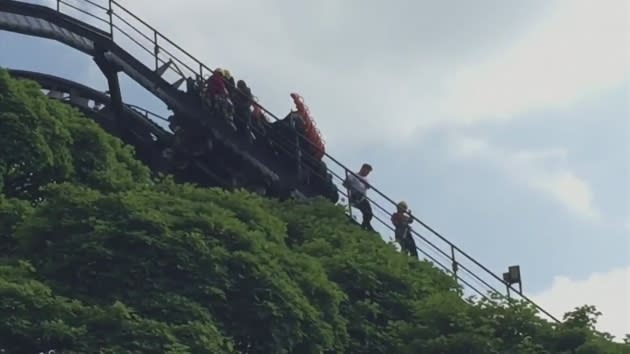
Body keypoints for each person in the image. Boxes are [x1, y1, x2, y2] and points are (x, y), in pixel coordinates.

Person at [343, 163, 374, 231]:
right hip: (355, 196)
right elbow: (345, 183)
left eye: (368, 172)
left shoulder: (365, 180)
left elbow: (367, 187)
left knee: (369, 214)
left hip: (363, 198)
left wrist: (367, 186)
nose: (367, 173)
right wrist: (352, 188)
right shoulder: (353, 176)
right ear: (363, 168)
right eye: (367, 171)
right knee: (367, 213)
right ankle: (366, 228)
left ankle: (365, 226)